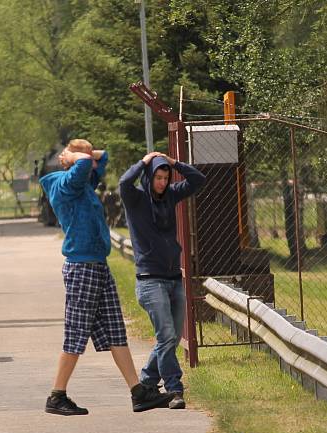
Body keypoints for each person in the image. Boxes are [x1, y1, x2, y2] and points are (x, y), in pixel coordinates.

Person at [39, 139, 174, 416]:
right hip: (82, 267)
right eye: (84, 158)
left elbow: (103, 158)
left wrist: (85, 154)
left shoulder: (83, 184)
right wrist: (74, 156)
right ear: (72, 161)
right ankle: (57, 396)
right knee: (76, 335)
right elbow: (87, 164)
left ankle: (138, 393)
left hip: (98, 265)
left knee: (115, 330)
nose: (93, 164)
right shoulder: (65, 185)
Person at [119, 151, 206, 409]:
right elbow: (124, 182)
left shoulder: (170, 195)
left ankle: (146, 384)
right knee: (167, 335)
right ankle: (175, 389)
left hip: (173, 278)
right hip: (150, 280)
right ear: (149, 176)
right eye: (157, 177)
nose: (162, 182)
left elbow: (198, 180)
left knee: (170, 337)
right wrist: (145, 161)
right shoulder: (135, 199)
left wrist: (174, 163)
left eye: (165, 178)